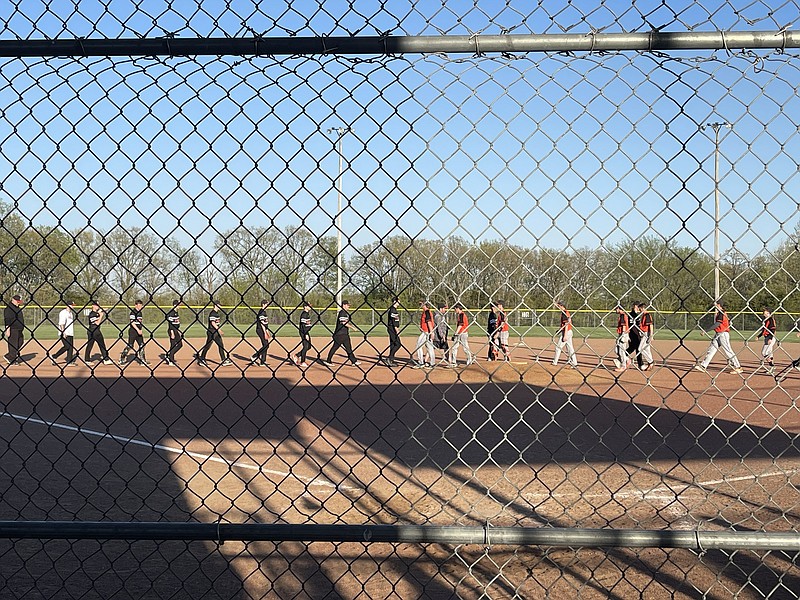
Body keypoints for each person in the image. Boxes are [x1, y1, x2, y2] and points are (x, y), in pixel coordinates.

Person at [694, 300, 743, 374]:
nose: (715, 305)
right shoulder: (721, 313)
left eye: (716, 304)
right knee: (711, 350)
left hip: (723, 334)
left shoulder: (721, 313)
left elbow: (717, 324)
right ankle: (703, 366)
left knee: (728, 350)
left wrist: (706, 331)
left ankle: (738, 367)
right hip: (718, 334)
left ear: (719, 305)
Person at [325, 299, 360, 366]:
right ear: (343, 305)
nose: (348, 307)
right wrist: (353, 328)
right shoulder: (342, 313)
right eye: (347, 305)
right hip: (340, 335)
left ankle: (354, 361)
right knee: (335, 347)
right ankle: (328, 361)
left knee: (349, 348)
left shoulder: (345, 313)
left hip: (344, 334)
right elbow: (344, 323)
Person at [197, 301, 232, 367]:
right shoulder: (213, 313)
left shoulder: (216, 313)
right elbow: (213, 323)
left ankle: (223, 360)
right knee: (208, 346)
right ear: (216, 305)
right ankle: (202, 359)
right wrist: (219, 330)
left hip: (216, 332)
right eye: (219, 305)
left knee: (221, 345)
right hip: (212, 332)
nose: (220, 306)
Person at [84, 301, 114, 365]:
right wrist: (101, 316)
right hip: (94, 331)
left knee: (92, 345)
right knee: (100, 345)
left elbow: (100, 311)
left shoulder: (96, 313)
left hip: (94, 331)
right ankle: (105, 359)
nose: (98, 306)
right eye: (96, 305)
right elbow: (97, 323)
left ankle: (87, 359)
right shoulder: (92, 314)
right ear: (93, 306)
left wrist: (102, 310)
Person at [120, 299, 149, 365]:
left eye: (141, 305)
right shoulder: (133, 312)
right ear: (136, 305)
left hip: (139, 331)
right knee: (130, 345)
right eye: (139, 305)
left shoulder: (140, 313)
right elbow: (132, 323)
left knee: (142, 345)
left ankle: (143, 360)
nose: (140, 307)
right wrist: (138, 330)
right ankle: (122, 358)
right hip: (133, 331)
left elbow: (139, 323)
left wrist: (140, 329)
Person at [50, 299, 77, 366]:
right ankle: (54, 356)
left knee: (70, 347)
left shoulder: (71, 313)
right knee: (67, 346)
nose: (73, 306)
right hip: (64, 332)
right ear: (68, 305)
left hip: (70, 332)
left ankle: (69, 361)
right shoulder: (63, 313)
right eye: (72, 305)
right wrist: (63, 332)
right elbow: (61, 323)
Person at [552, 300, 577, 368]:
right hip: (568, 331)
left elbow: (566, 324)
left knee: (558, 347)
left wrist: (565, 335)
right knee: (570, 348)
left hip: (567, 332)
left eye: (559, 306)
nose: (558, 307)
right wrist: (559, 330)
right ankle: (574, 362)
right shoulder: (565, 312)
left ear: (561, 306)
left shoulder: (564, 313)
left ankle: (555, 362)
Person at [3, 294, 25, 365]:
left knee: (20, 342)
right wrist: (7, 329)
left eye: (19, 302)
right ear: (13, 300)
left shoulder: (17, 308)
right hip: (13, 329)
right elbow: (7, 320)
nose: (18, 303)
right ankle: (12, 359)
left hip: (19, 329)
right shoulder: (9, 309)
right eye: (17, 301)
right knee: (13, 344)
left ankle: (10, 355)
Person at [291, 300, 313, 368]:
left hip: (306, 332)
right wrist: (305, 334)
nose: (310, 307)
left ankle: (297, 355)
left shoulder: (307, 314)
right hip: (304, 332)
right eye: (309, 306)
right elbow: (303, 325)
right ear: (305, 307)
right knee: (305, 346)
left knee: (309, 346)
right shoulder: (304, 314)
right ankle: (302, 361)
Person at [414, 301, 435, 368]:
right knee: (429, 348)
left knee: (418, 346)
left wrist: (431, 332)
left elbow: (429, 322)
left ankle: (421, 363)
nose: (420, 306)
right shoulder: (426, 312)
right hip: (427, 331)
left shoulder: (427, 312)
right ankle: (432, 363)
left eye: (421, 304)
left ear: (425, 305)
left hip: (426, 332)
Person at [250, 299, 271, 367]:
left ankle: (263, 361)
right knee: (266, 345)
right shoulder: (261, 312)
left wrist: (267, 331)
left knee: (265, 345)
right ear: (263, 304)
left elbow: (265, 323)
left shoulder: (264, 312)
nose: (268, 305)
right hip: (260, 330)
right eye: (267, 304)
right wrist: (265, 332)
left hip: (264, 330)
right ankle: (254, 356)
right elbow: (262, 324)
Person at [383, 297, 402, 367]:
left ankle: (391, 359)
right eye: (398, 300)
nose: (399, 302)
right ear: (395, 301)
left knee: (393, 344)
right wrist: (397, 329)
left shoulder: (392, 309)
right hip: (392, 329)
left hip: (391, 328)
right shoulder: (393, 310)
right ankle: (390, 358)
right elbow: (394, 321)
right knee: (398, 344)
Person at [635, 302, 654, 371]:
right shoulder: (643, 315)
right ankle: (650, 364)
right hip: (644, 333)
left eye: (640, 309)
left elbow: (651, 325)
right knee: (647, 349)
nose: (639, 311)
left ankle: (650, 361)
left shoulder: (647, 315)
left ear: (643, 308)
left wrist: (651, 335)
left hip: (647, 333)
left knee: (640, 349)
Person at [758, 307, 777, 374]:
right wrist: (758, 336)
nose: (764, 314)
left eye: (766, 313)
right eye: (764, 313)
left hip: (770, 338)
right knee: (769, 353)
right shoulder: (766, 320)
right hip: (767, 338)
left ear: (769, 313)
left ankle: (772, 366)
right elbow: (764, 330)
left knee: (764, 353)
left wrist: (770, 338)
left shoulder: (770, 319)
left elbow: (773, 329)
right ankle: (772, 368)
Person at [165, 299, 183, 367]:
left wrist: (178, 331)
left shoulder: (176, 312)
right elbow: (170, 324)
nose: (180, 306)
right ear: (175, 305)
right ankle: (170, 359)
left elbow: (176, 324)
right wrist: (172, 332)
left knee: (179, 344)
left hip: (176, 330)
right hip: (172, 330)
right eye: (178, 304)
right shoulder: (171, 312)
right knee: (173, 345)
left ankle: (169, 355)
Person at [613, 305, 631, 372]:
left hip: (623, 334)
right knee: (616, 350)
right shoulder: (622, 315)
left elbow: (623, 326)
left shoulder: (623, 315)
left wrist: (622, 336)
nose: (615, 310)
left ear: (619, 308)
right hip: (622, 334)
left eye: (616, 309)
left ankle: (623, 366)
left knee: (621, 351)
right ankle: (627, 359)